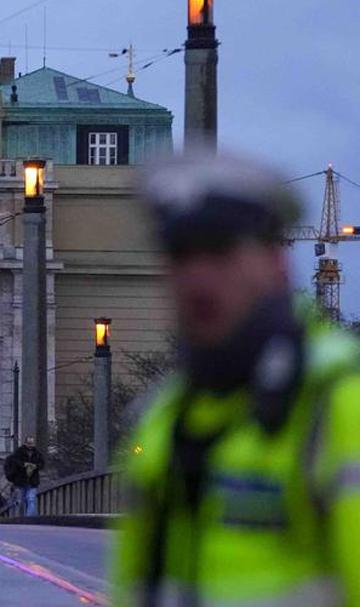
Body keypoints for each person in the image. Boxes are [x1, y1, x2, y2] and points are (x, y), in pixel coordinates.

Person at [112, 155, 360, 606]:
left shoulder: (339, 404)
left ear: (276, 262)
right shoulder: (163, 418)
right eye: (181, 255)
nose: (199, 278)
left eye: (221, 251)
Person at [4, 436, 44, 516]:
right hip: (21, 481)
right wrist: (24, 465)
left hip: (33, 481)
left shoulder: (37, 454)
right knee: (21, 501)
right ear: (25, 443)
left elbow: (42, 464)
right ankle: (21, 517)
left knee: (31, 499)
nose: (31, 445)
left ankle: (29, 518)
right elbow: (15, 463)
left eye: (32, 443)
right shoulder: (18, 453)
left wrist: (35, 466)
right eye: (29, 443)